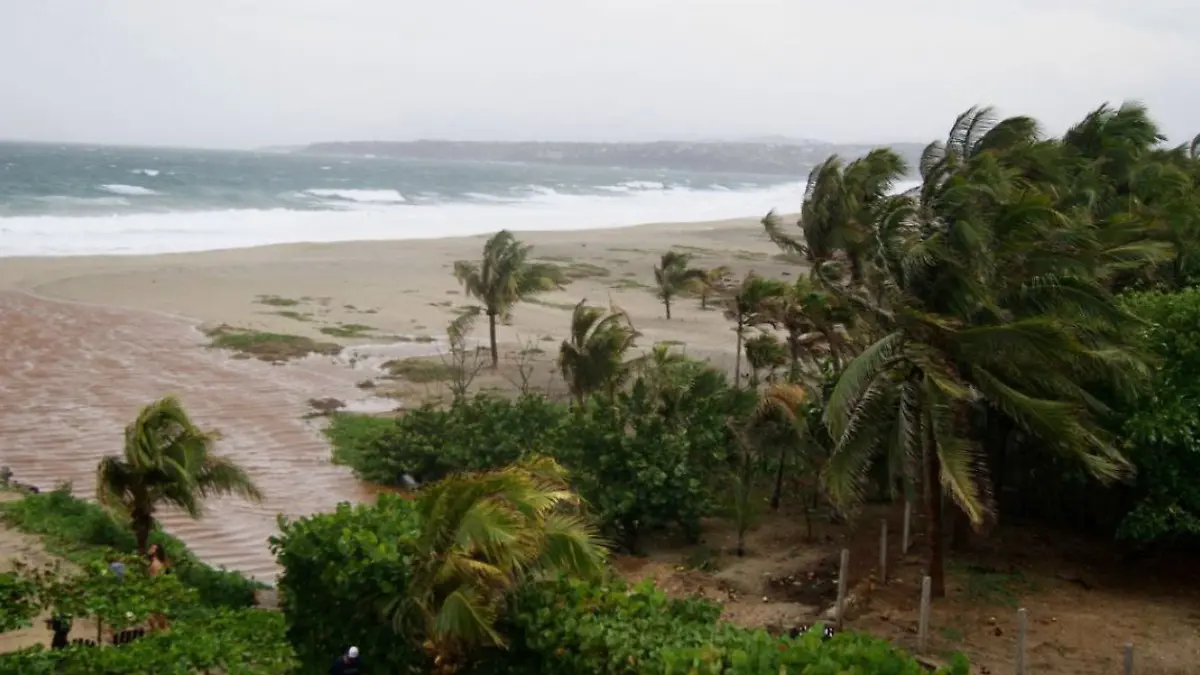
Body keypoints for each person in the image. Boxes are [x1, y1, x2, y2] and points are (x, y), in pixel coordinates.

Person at [146, 544, 170, 632]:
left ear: (156, 552)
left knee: (153, 615)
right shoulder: (159, 562)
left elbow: (156, 579)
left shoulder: (155, 564)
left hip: (157, 591)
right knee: (159, 616)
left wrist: (152, 592)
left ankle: (159, 633)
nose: (149, 549)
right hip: (160, 591)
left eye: (152, 548)